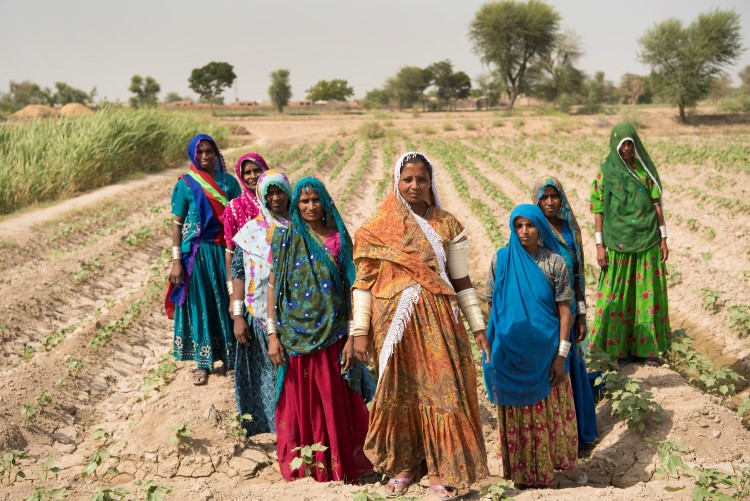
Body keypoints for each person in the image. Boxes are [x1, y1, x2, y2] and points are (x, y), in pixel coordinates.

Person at [351, 152, 489, 499]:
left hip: (439, 323)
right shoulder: (376, 228)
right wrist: (359, 332)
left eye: (421, 179)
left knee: (443, 393)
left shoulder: (447, 224)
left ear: (431, 182)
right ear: (396, 182)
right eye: (407, 179)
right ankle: (405, 466)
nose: (415, 185)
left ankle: (443, 469)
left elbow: (461, 280)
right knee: (399, 394)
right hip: (393, 325)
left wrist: (477, 326)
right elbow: (364, 282)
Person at [267, 176, 374, 483]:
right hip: (293, 338)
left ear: (325, 201)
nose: (311, 206)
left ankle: (337, 467)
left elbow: (354, 287)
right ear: (295, 206)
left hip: (334, 336)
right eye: (304, 201)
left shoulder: (339, 239)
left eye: (315, 200)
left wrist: (355, 335)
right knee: (300, 404)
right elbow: (273, 290)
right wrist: (273, 335)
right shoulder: (285, 241)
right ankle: (305, 467)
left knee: (331, 402)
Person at [484, 204, 578, 488]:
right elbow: (492, 304)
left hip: (544, 355)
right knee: (515, 414)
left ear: (540, 227)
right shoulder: (500, 260)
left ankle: (543, 474)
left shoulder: (554, 263)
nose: (524, 232)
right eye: (518, 226)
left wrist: (561, 355)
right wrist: (493, 344)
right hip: (509, 353)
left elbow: (565, 312)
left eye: (530, 226)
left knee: (542, 414)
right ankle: (521, 474)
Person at [589, 122, 670, 360]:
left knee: (645, 294)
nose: (626, 148)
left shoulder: (645, 172)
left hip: (647, 240)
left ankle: (644, 349)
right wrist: (599, 245)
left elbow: (657, 206)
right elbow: (598, 209)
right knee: (616, 294)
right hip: (617, 243)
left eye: (630, 144)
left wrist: (663, 238)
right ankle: (614, 350)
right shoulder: (606, 172)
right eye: (622, 144)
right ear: (615, 145)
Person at [167, 134, 241, 385]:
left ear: (216, 153)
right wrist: (176, 260)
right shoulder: (186, 184)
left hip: (225, 252)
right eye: (200, 152)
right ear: (192, 155)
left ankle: (232, 359)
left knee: (227, 300)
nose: (205, 156)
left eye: (209, 151)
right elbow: (177, 224)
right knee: (201, 304)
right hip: (197, 255)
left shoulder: (229, 183)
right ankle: (203, 363)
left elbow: (238, 219)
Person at [533, 176, 598, 449]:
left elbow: (578, 275)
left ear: (561, 199)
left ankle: (577, 433)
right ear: (536, 201)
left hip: (567, 313)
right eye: (544, 197)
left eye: (554, 196)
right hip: (541, 314)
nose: (550, 202)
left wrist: (581, 314)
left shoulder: (571, 230)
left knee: (570, 367)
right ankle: (551, 435)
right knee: (547, 371)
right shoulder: (531, 228)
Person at [230, 169, 292, 437]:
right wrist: (238, 316)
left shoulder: (301, 228)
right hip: (258, 317)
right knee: (266, 378)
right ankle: (275, 433)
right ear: (261, 196)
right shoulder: (250, 232)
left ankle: (297, 432)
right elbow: (238, 273)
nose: (275, 197)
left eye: (280, 191)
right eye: (270, 193)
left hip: (296, 320)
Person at [223, 153, 269, 300]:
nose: (253, 176)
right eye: (247, 173)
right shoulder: (235, 208)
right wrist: (233, 296)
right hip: (250, 281)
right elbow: (230, 251)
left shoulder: (278, 201)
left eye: (257, 170)